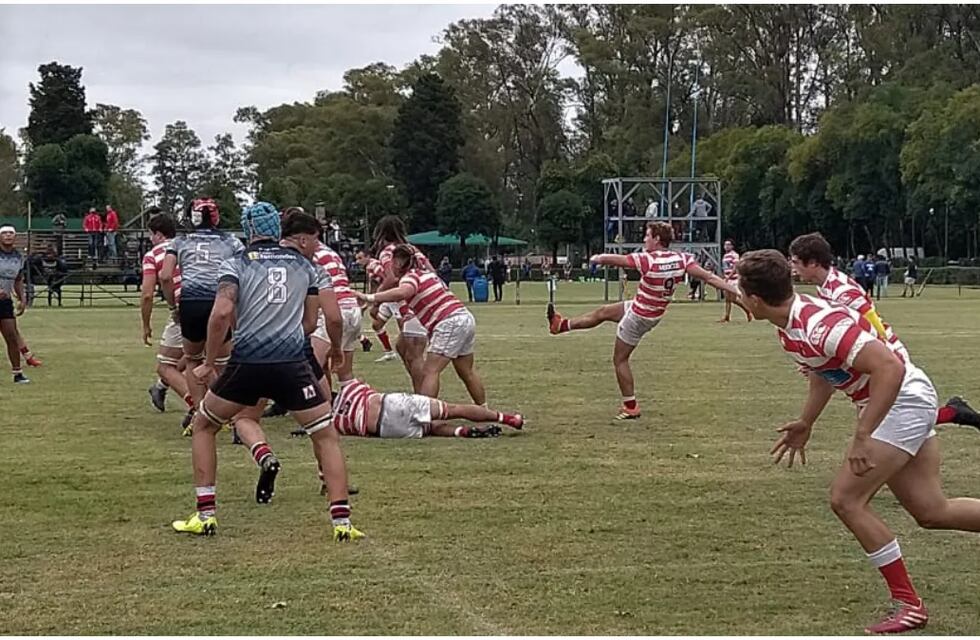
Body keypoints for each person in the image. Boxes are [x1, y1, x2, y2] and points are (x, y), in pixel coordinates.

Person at [737, 249, 980, 634]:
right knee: (932, 511)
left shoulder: (818, 322)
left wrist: (863, 435)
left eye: (738, 288)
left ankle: (909, 604)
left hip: (902, 398)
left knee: (846, 499)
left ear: (754, 298)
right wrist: (806, 421)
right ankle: (909, 603)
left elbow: (889, 367)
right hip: (902, 398)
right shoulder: (791, 327)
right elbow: (824, 371)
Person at [171, 203, 363, 541]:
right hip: (293, 364)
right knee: (325, 434)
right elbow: (324, 319)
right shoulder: (308, 266)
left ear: (248, 229)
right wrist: (333, 349)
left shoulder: (237, 262)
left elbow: (221, 314)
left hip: (247, 363)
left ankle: (205, 515)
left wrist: (209, 361)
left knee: (204, 425)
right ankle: (342, 523)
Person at [547, 222, 743, 420]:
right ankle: (561, 325)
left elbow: (621, 260)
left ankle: (630, 406)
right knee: (603, 312)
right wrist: (734, 289)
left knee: (620, 359)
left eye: (647, 236)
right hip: (649, 309)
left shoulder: (649, 260)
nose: (644, 239)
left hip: (639, 315)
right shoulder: (682, 258)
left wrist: (598, 257)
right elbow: (709, 277)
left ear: (657, 239)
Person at [788, 232, 979, 429]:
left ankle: (954, 412)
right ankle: (954, 412)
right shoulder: (826, 286)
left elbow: (873, 325)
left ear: (812, 263)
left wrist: (885, 361)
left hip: (887, 355)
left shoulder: (842, 292)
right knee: (886, 420)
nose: (793, 268)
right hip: (878, 357)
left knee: (889, 421)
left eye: (795, 262)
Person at [357, 244, 487, 406]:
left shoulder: (410, 277)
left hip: (448, 322)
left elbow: (403, 292)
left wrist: (369, 298)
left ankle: (424, 415)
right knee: (466, 371)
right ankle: (484, 410)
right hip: (464, 317)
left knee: (429, 372)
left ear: (398, 263)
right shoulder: (427, 274)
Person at [160, 198, 244, 422]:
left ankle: (200, 413)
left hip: (191, 303)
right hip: (219, 301)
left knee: (193, 360)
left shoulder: (180, 241)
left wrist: (173, 306)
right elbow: (245, 272)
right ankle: (234, 417)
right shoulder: (231, 241)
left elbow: (165, 276)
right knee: (223, 364)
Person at [332, 377, 523, 438]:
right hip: (390, 404)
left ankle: (462, 431)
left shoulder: (335, 423)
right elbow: (365, 385)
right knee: (452, 410)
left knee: (430, 428)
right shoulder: (350, 388)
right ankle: (507, 419)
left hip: (385, 429)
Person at [141, 211, 192, 416]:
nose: (150, 240)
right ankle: (160, 388)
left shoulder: (154, 255)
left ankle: (201, 408)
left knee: (166, 366)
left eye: (151, 235)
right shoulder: (189, 246)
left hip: (185, 307)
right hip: (215, 305)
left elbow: (147, 294)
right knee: (197, 356)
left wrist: (146, 325)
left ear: (159, 234)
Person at [0, 225, 38, 383]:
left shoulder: (18, 257)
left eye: (11, 233)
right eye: (4, 233)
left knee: (11, 336)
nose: (8, 236)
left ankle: (18, 373)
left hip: (5, 301)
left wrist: (22, 298)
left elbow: (18, 280)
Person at [719, 239, 751, 323]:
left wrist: (729, 277)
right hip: (727, 278)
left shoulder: (734, 255)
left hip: (733, 279)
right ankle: (727, 316)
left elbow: (736, 267)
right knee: (727, 299)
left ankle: (747, 310)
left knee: (733, 299)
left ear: (732, 246)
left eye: (728, 245)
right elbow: (725, 268)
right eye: (725, 245)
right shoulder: (725, 256)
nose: (726, 246)